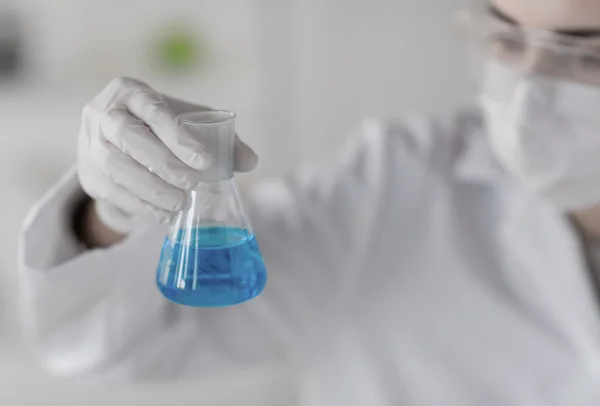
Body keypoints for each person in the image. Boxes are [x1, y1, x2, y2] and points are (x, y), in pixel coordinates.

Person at [17, 0, 600, 404]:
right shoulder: (392, 187)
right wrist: (111, 217)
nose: (527, 99)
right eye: (507, 39)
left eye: (586, 57)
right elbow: (110, 351)